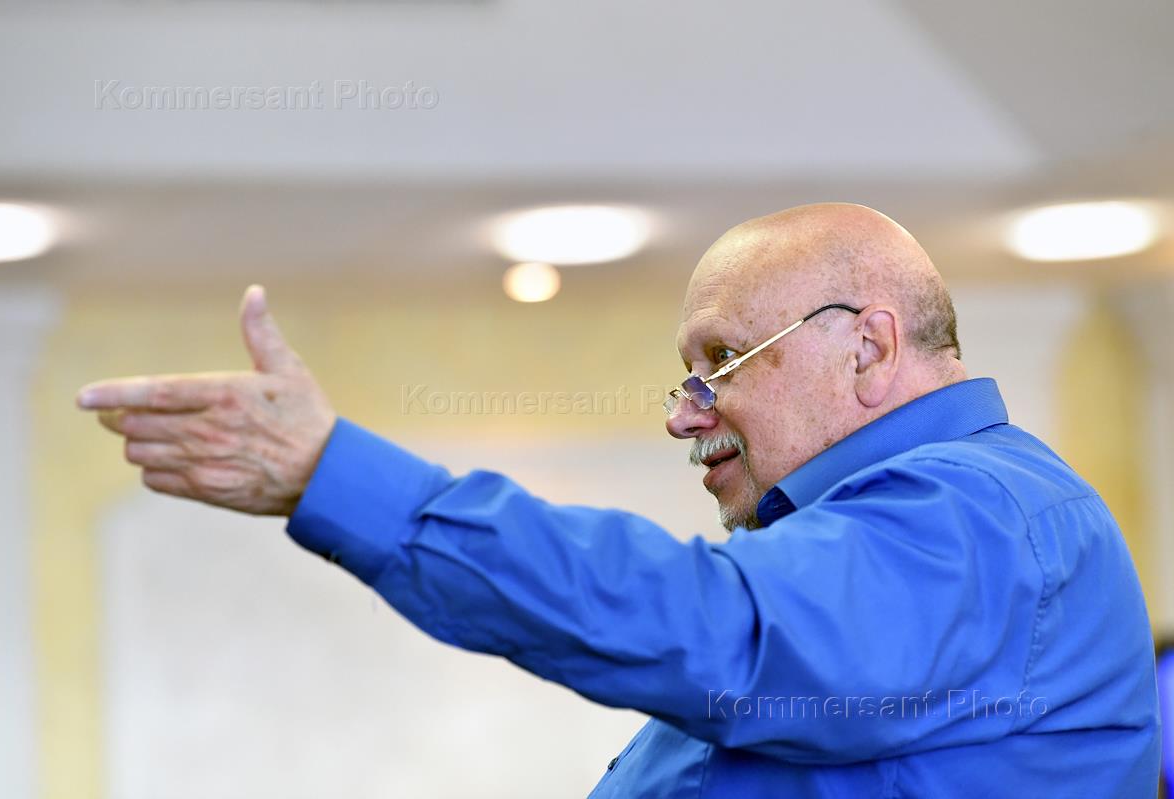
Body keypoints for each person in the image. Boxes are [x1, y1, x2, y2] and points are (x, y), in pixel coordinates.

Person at [78, 203, 1160, 796]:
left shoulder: (977, 515)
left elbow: (713, 628)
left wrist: (339, 478)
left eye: (724, 360)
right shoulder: (925, 523)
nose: (687, 415)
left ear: (869, 348)